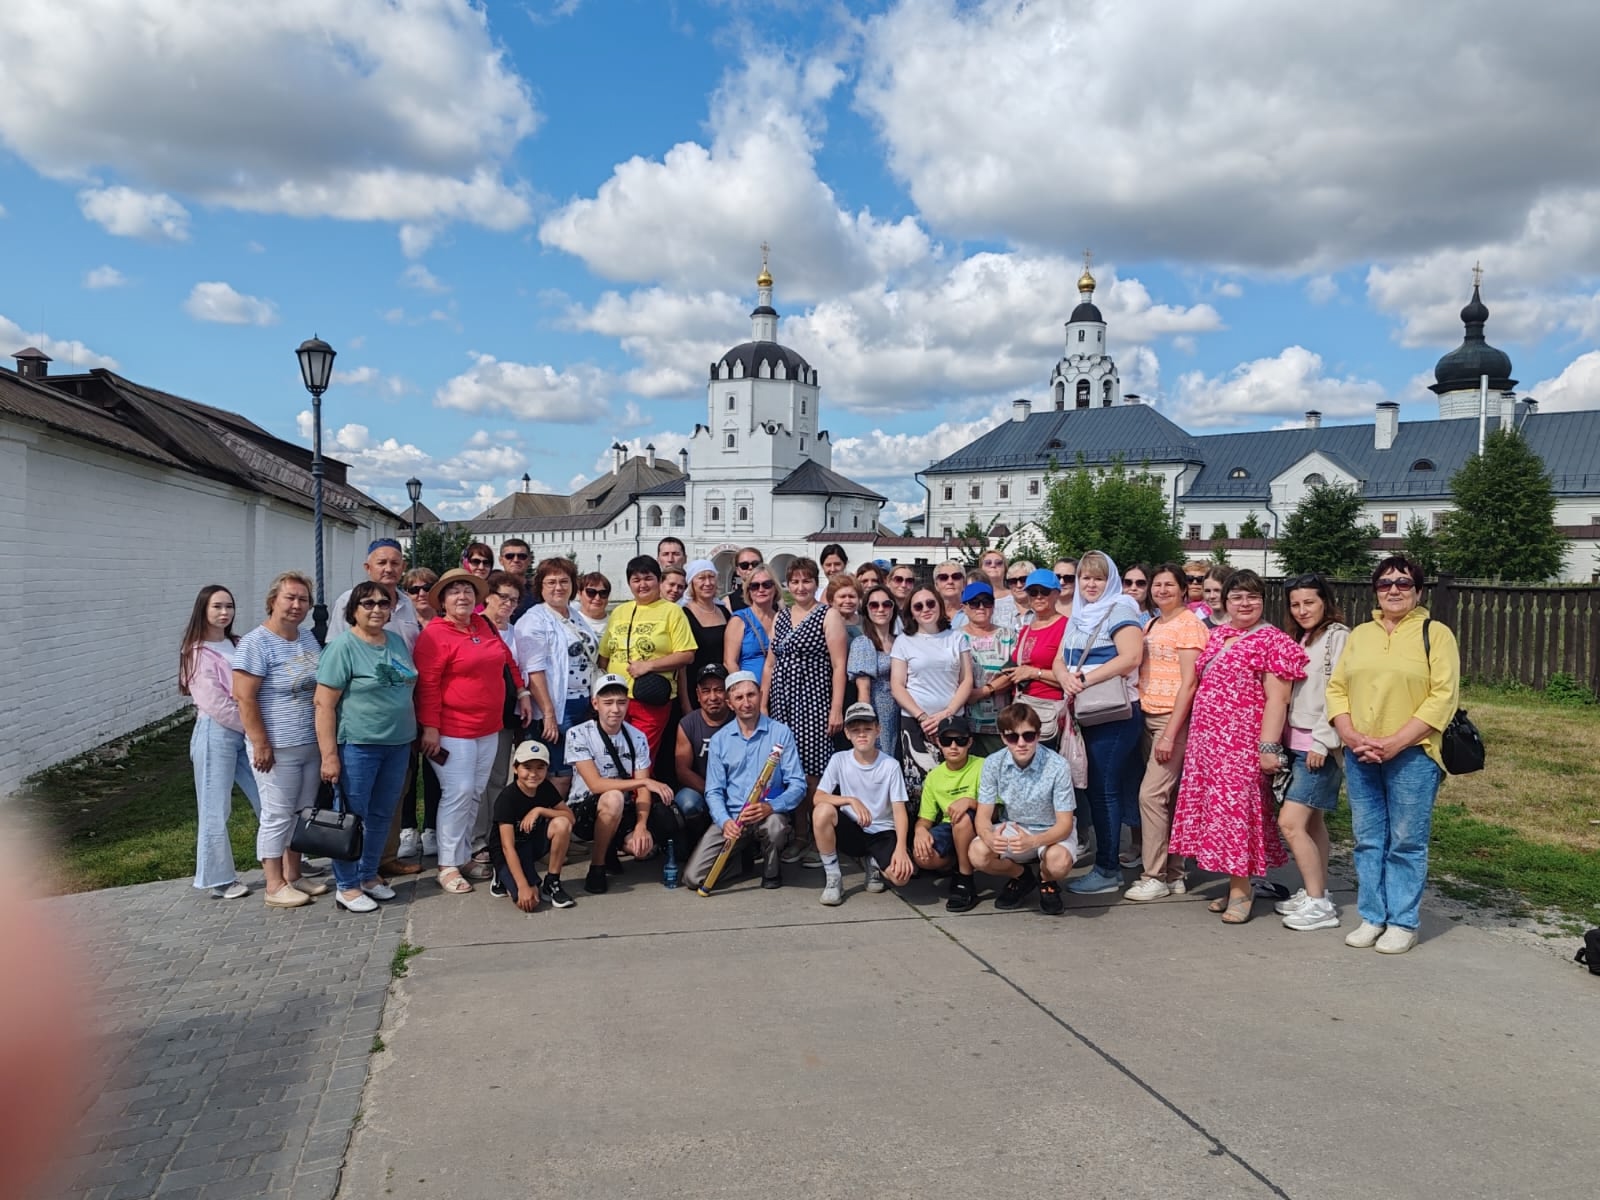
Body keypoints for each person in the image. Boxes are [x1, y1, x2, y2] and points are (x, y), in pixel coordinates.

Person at [1327, 556, 1460, 955]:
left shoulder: (1435, 634)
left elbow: (1444, 696)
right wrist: (1349, 734)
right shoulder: (1361, 635)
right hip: (1360, 750)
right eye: (1385, 584)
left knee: (1405, 841)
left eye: (1403, 583)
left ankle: (1403, 921)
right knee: (1368, 839)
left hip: (1413, 754)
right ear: (1375, 591)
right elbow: (1337, 688)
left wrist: (1397, 741)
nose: (1394, 590)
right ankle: (1373, 915)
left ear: (1419, 591)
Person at [1168, 569, 1308, 924]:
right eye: (1237, 597)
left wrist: (1268, 747)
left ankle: (1243, 891)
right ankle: (1234, 885)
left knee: (1237, 817)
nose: (1244, 603)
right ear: (1225, 601)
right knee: (1216, 816)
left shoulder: (1271, 641)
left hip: (1241, 745)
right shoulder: (1219, 637)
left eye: (1252, 596)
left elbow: (1278, 699)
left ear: (1263, 600)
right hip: (1209, 744)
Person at [415, 567, 532, 895]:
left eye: (467, 590)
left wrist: (521, 692)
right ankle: (448, 864)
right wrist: (430, 728)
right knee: (459, 792)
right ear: (443, 601)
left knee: (476, 791)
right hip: (453, 729)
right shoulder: (435, 635)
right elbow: (427, 685)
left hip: (488, 727)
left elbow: (507, 659)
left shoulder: (482, 624)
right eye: (454, 592)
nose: (462, 596)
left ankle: (463, 854)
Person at [313, 581, 418, 914]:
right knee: (352, 816)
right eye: (368, 603)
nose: (376, 609)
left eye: (383, 604)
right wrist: (329, 755)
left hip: (398, 743)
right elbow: (323, 704)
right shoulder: (342, 647)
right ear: (353, 610)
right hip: (358, 744)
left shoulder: (397, 642)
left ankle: (369, 874)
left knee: (382, 816)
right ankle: (346, 885)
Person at [233, 572, 326, 908]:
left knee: (302, 813)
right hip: (277, 746)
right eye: (290, 598)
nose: (297, 605)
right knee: (277, 813)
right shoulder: (255, 642)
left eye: (303, 599)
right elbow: (245, 697)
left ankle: (294, 874)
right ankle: (274, 884)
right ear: (273, 601)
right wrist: (260, 743)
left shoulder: (306, 639)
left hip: (309, 742)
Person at [1056, 551, 1146, 896]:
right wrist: (1066, 678)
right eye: (1085, 578)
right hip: (1085, 710)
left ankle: (1108, 869)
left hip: (1114, 713)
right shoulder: (1079, 615)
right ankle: (1104, 860)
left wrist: (1085, 680)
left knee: (1104, 789)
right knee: (1092, 788)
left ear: (1110, 581)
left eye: (1098, 578)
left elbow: (1131, 657)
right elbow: (1059, 659)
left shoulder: (1120, 608)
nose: (1090, 584)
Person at [1124, 564, 1209, 902]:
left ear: (1183, 588)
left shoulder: (1190, 626)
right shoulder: (1153, 622)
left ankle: (1153, 875)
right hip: (1148, 714)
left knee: (1150, 796)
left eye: (1168, 584)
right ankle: (1175, 872)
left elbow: (1190, 683)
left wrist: (1172, 732)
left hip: (1172, 720)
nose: (1161, 590)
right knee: (1169, 799)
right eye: (1157, 585)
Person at [1275, 574, 1350, 932]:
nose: (1302, 610)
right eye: (1295, 604)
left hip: (1317, 747)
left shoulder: (1338, 637)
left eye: (1309, 602)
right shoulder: (1301, 637)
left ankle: (1320, 905)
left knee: (1289, 823)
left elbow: (1342, 689)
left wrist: (1324, 739)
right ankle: (1313, 889)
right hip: (1295, 742)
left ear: (1325, 602)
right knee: (1313, 823)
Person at [684, 671, 806, 891]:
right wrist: (724, 821)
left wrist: (771, 807)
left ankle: (772, 870)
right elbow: (713, 790)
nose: (746, 703)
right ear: (730, 703)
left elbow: (798, 784)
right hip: (733, 817)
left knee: (775, 827)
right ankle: (743, 861)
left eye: (751, 695)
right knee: (694, 879)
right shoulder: (721, 739)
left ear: (760, 695)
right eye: (739, 698)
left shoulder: (781, 732)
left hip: (768, 814)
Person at [179, 585, 261, 900]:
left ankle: (290, 859)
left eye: (229, 606)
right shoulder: (196, 652)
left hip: (246, 731)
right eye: (217, 607)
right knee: (216, 807)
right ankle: (219, 877)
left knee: (269, 798)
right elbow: (215, 702)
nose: (224, 612)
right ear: (203, 610)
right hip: (216, 733)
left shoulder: (238, 643)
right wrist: (252, 728)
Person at [468, 570, 548, 878]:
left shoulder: (514, 631)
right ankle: (479, 840)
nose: (509, 604)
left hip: (511, 714)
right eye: (503, 597)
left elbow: (518, 668)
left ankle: (496, 834)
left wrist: (524, 695)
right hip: (484, 715)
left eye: (514, 600)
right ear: (487, 596)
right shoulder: (478, 626)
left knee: (500, 778)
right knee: (482, 780)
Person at [566, 673, 676, 894]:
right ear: (595, 704)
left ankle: (613, 845)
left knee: (641, 848)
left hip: (622, 809)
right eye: (608, 703)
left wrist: (641, 826)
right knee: (613, 796)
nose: (615, 709)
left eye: (621, 702)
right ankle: (597, 866)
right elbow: (596, 785)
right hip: (584, 808)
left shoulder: (637, 737)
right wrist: (644, 781)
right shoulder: (578, 734)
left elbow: (643, 791)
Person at [970, 702, 1081, 913]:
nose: (1021, 743)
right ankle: (1021, 875)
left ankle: (1046, 880)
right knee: (977, 854)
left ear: (1039, 735)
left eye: (1028, 736)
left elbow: (1065, 824)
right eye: (1013, 737)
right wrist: (988, 836)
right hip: (1013, 826)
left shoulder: (1058, 766)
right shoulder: (993, 763)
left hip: (1051, 829)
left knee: (1058, 863)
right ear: (1003, 738)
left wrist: (1033, 841)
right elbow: (983, 816)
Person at [762, 557, 849, 805]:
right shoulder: (781, 616)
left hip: (813, 700)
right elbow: (770, 663)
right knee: (786, 765)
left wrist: (836, 708)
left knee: (812, 768)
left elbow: (838, 665)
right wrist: (763, 702)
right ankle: (796, 828)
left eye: (807, 581)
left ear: (815, 583)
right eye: (795, 582)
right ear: (787, 585)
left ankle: (814, 827)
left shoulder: (828, 614)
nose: (801, 587)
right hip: (782, 700)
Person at [514, 556, 601, 800]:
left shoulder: (574, 615)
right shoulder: (533, 620)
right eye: (551, 582)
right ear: (540, 587)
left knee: (577, 770)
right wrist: (549, 714)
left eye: (564, 581)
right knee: (557, 771)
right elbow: (534, 670)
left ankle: (565, 824)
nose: (558, 587)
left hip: (583, 703)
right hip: (557, 706)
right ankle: (550, 827)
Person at [810, 703, 915, 906]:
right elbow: (818, 797)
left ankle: (874, 863)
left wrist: (901, 848)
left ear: (878, 730)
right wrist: (850, 800)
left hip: (882, 832)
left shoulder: (890, 765)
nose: (862, 735)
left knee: (901, 878)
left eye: (867, 729)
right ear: (847, 734)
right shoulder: (839, 759)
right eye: (855, 730)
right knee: (822, 811)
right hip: (853, 829)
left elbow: (899, 810)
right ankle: (833, 877)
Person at [597, 555, 696, 759]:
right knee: (612, 756)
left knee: (640, 758)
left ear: (659, 580)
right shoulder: (619, 612)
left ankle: (638, 791)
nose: (642, 584)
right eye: (636, 580)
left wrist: (649, 665)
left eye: (648, 578)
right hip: (617, 698)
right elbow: (604, 656)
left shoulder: (672, 612)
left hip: (649, 698)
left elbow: (687, 654)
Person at [890, 585, 974, 795]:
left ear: (939, 604)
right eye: (918, 606)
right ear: (911, 613)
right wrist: (922, 717)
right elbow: (897, 685)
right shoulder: (903, 641)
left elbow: (966, 680)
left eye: (930, 603)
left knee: (953, 784)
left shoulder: (956, 638)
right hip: (916, 723)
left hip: (952, 721)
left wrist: (947, 713)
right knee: (920, 786)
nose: (925, 609)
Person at [487, 740, 576, 911]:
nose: (533, 774)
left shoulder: (545, 787)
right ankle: (500, 873)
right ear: (515, 768)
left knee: (562, 823)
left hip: (531, 845)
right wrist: (522, 886)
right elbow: (507, 847)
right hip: (508, 851)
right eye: (527, 767)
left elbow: (570, 817)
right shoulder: (507, 798)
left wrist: (540, 810)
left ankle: (552, 881)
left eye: (540, 767)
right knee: (530, 900)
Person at [912, 715, 984, 912]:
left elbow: (996, 809)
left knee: (961, 819)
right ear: (938, 743)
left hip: (980, 823)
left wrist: (970, 802)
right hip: (948, 827)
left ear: (969, 741)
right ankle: (958, 861)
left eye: (960, 740)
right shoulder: (934, 776)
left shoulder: (983, 766)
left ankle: (965, 880)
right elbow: (924, 820)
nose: (953, 746)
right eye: (946, 740)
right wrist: (920, 831)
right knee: (922, 855)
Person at [396, 567, 440, 860]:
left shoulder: (443, 623)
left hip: (439, 705)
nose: (421, 594)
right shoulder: (401, 623)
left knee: (436, 770)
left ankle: (432, 828)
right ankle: (407, 828)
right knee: (407, 770)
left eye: (427, 588)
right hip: (406, 704)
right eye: (413, 589)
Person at [1007, 568, 1068, 746]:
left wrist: (1033, 673)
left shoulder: (1066, 627)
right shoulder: (1027, 628)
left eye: (1045, 592)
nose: (1039, 597)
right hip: (1022, 708)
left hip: (1048, 709)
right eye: (1033, 592)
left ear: (1056, 594)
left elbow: (1069, 678)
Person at [333, 538, 421, 651]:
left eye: (395, 563)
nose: (389, 569)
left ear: (403, 567)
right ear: (368, 568)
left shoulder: (407, 602)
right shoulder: (348, 600)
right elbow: (335, 644)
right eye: (381, 563)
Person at [673, 664, 734, 824]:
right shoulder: (688, 723)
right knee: (687, 803)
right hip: (701, 788)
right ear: (698, 695)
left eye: (719, 690)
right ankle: (695, 843)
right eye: (706, 691)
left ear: (728, 693)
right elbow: (683, 771)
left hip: (736, 791)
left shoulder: (740, 721)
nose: (713, 697)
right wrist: (714, 794)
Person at [959, 581, 1013, 755]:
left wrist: (984, 691)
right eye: (974, 603)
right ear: (964, 607)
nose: (981, 607)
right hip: (965, 724)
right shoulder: (954, 638)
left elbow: (1013, 672)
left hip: (1001, 724)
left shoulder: (1009, 635)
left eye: (987, 601)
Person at [848, 585, 901, 757]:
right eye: (874, 605)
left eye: (886, 604)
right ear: (866, 610)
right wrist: (867, 725)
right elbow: (863, 690)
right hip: (879, 713)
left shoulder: (901, 641)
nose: (880, 609)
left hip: (902, 711)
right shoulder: (863, 643)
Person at [681, 559, 730, 709]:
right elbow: (682, 666)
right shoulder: (683, 614)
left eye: (711, 577)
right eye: (701, 578)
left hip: (723, 688)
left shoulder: (724, 611)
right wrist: (686, 705)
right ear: (692, 584)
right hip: (696, 688)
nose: (707, 583)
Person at [724, 564, 779, 683]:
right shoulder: (739, 620)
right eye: (754, 586)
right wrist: (744, 688)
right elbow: (730, 662)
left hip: (780, 692)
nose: (761, 589)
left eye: (767, 584)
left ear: (775, 588)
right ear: (748, 591)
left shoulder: (782, 618)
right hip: (750, 692)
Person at [499, 539, 536, 622]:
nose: (516, 560)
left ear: (529, 560)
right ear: (501, 560)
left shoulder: (539, 592)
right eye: (509, 556)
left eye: (522, 556)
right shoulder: (492, 591)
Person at [825, 574, 863, 643]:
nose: (848, 601)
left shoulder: (867, 624)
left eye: (852, 596)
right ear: (831, 600)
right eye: (842, 597)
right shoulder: (824, 624)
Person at [1001, 560, 1036, 628]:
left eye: (1023, 580)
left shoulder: (1044, 609)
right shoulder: (996, 609)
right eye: (1013, 581)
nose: (1019, 585)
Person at [931, 560, 967, 626]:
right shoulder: (929, 614)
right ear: (936, 585)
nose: (950, 581)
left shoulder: (974, 612)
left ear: (964, 584)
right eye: (943, 577)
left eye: (956, 577)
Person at [1121, 563, 1155, 628]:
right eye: (1128, 582)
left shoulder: (1161, 616)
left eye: (1140, 583)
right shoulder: (1109, 614)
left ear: (1150, 586)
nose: (1133, 588)